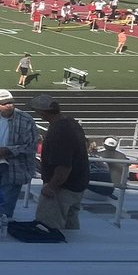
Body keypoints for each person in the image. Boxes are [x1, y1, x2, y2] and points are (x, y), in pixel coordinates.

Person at [0, 89, 39, 222]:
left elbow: (32, 145)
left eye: (10, 102)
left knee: (6, 202)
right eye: (4, 103)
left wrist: (8, 150)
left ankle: (2, 226)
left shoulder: (26, 119)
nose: (9, 105)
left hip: (14, 167)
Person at [30, 94, 90, 232]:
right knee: (70, 227)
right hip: (77, 184)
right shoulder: (70, 122)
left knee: (47, 229)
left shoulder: (59, 130)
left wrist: (51, 186)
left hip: (62, 188)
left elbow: (64, 166)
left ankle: (51, 253)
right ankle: (70, 251)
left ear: (42, 112)